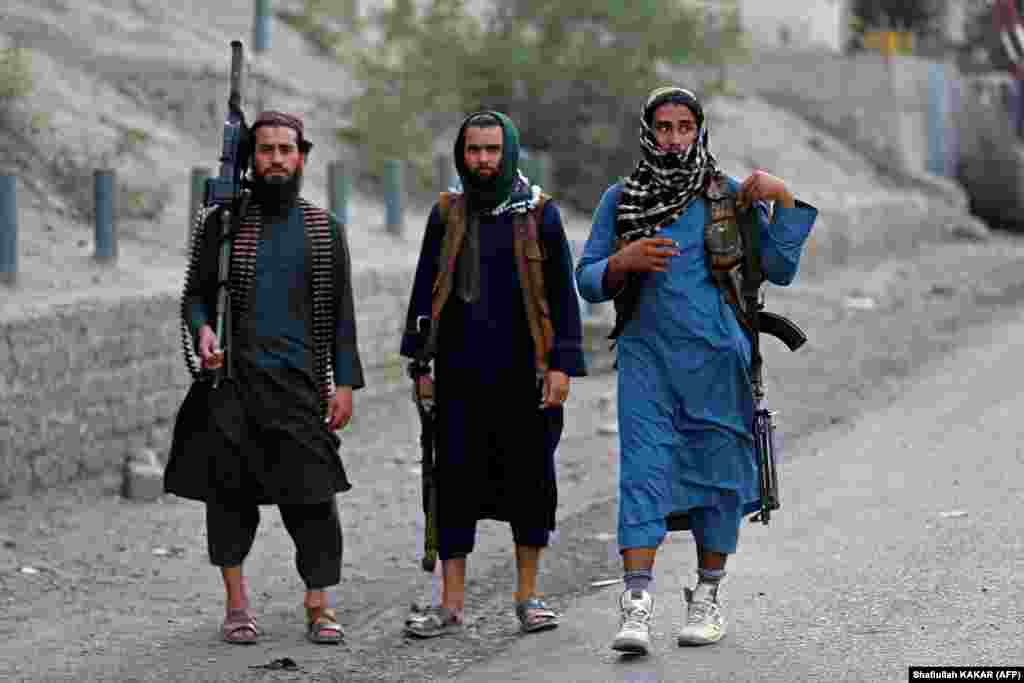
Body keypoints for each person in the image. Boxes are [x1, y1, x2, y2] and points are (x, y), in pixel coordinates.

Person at [575, 87, 817, 654]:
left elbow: (779, 268)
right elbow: (586, 276)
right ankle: (636, 605)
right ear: (648, 131)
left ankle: (707, 598)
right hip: (647, 361)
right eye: (664, 127)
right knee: (643, 475)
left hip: (718, 364)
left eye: (685, 126)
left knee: (718, 483)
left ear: (700, 130)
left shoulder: (729, 198)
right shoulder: (623, 198)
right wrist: (623, 261)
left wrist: (782, 198)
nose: (675, 138)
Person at [165, 111, 364, 645]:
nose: (276, 159)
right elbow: (195, 297)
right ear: (251, 158)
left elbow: (343, 315)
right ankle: (236, 606)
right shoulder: (223, 225)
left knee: (314, 500)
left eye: (286, 149)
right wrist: (205, 332)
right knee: (228, 500)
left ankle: (319, 606)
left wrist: (343, 383)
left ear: (302, 156)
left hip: (300, 387)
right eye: (266, 150)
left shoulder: (324, 229)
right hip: (231, 385)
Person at [399, 111, 586, 638]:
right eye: (474, 150)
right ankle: (450, 606)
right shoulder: (447, 214)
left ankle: (528, 598)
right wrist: (421, 363)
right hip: (459, 378)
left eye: (492, 150)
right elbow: (423, 292)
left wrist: (562, 366)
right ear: (462, 153)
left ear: (510, 153)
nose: (483, 160)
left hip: (524, 379)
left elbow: (562, 299)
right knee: (453, 487)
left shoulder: (540, 215)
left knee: (530, 487)